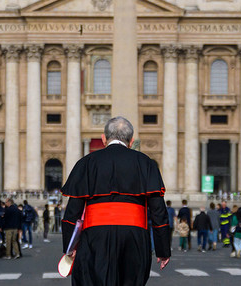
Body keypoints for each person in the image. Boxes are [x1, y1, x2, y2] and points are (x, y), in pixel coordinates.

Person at [60, 117, 171, 286]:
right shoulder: (146, 163)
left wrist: (70, 248)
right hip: (134, 235)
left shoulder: (86, 163)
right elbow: (158, 212)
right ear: (131, 141)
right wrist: (163, 250)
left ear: (104, 138)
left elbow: (71, 213)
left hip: (95, 235)